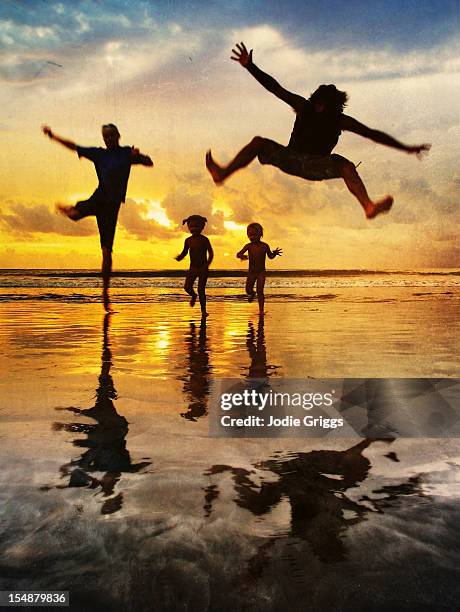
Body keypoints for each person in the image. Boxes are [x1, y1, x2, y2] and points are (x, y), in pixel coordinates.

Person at [206, 42, 431, 219]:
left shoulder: (340, 120)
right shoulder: (304, 106)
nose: (321, 108)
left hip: (316, 165)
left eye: (326, 105)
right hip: (290, 158)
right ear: (315, 101)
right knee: (258, 142)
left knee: (345, 165)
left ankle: (368, 206)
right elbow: (275, 88)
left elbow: (373, 134)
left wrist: (406, 148)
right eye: (319, 103)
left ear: (333, 106)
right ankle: (223, 174)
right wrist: (251, 67)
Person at [42, 123, 153, 311]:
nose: (108, 138)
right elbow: (73, 146)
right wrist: (53, 136)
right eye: (105, 136)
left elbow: (149, 162)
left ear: (118, 135)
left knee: (106, 251)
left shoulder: (126, 153)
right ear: (103, 138)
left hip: (112, 207)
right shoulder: (98, 154)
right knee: (75, 214)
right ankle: (69, 209)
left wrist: (139, 156)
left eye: (111, 135)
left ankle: (105, 292)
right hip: (99, 198)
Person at [237, 222, 282, 314]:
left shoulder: (265, 246)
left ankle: (261, 310)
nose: (252, 237)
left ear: (260, 234)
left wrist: (275, 253)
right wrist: (242, 256)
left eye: (254, 235)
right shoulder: (248, 246)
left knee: (260, 290)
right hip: (251, 272)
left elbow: (270, 256)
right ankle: (252, 294)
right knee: (248, 290)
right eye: (250, 235)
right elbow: (238, 254)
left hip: (261, 272)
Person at [175, 215, 214, 318]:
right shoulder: (188, 240)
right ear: (188, 227)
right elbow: (185, 252)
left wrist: (207, 265)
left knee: (201, 289)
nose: (194, 229)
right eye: (191, 227)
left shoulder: (205, 239)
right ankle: (193, 295)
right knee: (187, 287)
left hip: (203, 268)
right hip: (193, 268)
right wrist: (180, 257)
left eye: (197, 227)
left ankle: (203, 311)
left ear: (202, 227)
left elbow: (211, 253)